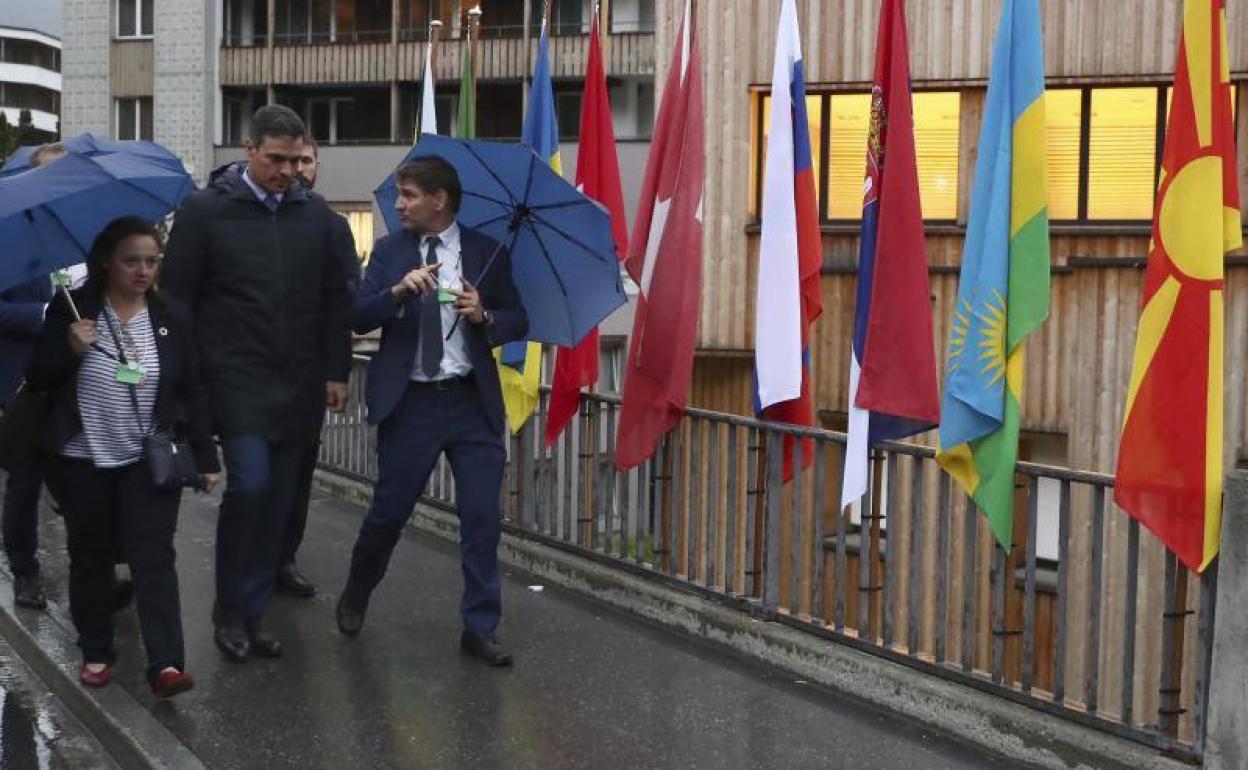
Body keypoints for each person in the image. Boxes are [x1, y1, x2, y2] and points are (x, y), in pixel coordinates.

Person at [161, 105, 352, 663]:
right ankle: (228, 608)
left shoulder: (318, 218)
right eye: (275, 159)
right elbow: (178, 299)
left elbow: (334, 301)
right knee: (251, 486)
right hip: (234, 378)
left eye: (296, 160)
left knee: (280, 501)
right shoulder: (204, 212)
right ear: (248, 150)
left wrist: (337, 370)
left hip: (298, 382)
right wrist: (185, 375)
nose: (287, 170)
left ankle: (253, 609)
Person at [335, 156, 527, 667]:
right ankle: (357, 591)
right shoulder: (389, 251)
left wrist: (485, 315)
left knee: (482, 518)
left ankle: (480, 627)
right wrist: (398, 291)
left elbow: (517, 319)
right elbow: (355, 315)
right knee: (389, 513)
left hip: (471, 403)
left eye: (410, 195)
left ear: (438, 200)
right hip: (412, 403)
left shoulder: (487, 254)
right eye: (399, 194)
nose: (399, 204)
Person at [26, 216, 220, 697]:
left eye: (152, 261)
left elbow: (193, 390)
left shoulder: (172, 317)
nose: (142, 271)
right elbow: (40, 378)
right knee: (90, 556)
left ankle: (167, 665)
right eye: (131, 261)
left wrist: (206, 456)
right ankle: (95, 649)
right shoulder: (72, 311)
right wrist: (70, 348)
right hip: (82, 458)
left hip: (147, 459)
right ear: (107, 263)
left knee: (153, 557)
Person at [273, 136, 361, 598]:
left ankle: (284, 556)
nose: (299, 169)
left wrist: (338, 371)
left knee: (299, 467)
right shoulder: (249, 216)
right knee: (254, 474)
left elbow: (343, 304)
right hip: (255, 370)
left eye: (307, 161)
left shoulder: (330, 225)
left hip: (308, 371)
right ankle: (252, 556)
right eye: (291, 160)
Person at [0, 142, 77, 610]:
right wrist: (43, 311)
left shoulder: (85, 238)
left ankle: (98, 571)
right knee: (26, 482)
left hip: (81, 376)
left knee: (85, 478)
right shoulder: (8, 237)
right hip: (25, 380)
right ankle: (25, 570)